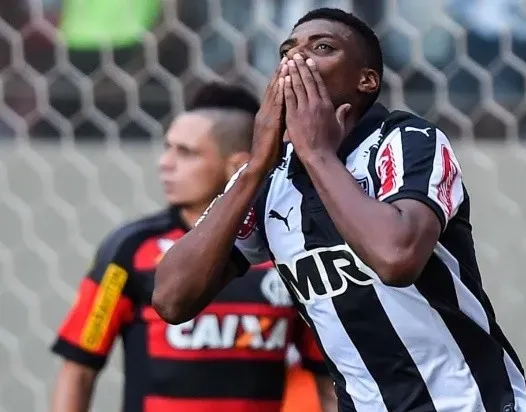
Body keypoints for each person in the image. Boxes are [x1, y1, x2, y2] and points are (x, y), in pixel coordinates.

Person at [153, 7, 526, 412]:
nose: (297, 60)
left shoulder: (407, 141)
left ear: (366, 80)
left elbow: (396, 259)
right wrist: (254, 168)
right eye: (287, 51)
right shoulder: (269, 177)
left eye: (321, 47)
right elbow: (171, 299)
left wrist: (317, 153)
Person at [49, 83, 336, 412]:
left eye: (186, 153)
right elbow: (78, 368)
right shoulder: (130, 249)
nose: (165, 163)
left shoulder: (287, 249)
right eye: (167, 148)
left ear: (237, 166)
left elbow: (325, 376)